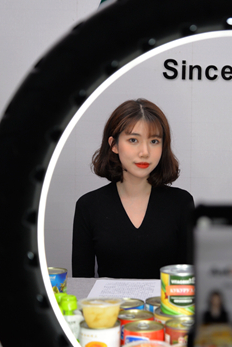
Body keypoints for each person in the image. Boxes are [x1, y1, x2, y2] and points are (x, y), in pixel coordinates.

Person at [72, 99, 194, 279]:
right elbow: (81, 284)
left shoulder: (181, 203)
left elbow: (187, 280)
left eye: (154, 141)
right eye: (133, 140)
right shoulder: (88, 205)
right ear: (114, 145)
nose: (144, 152)